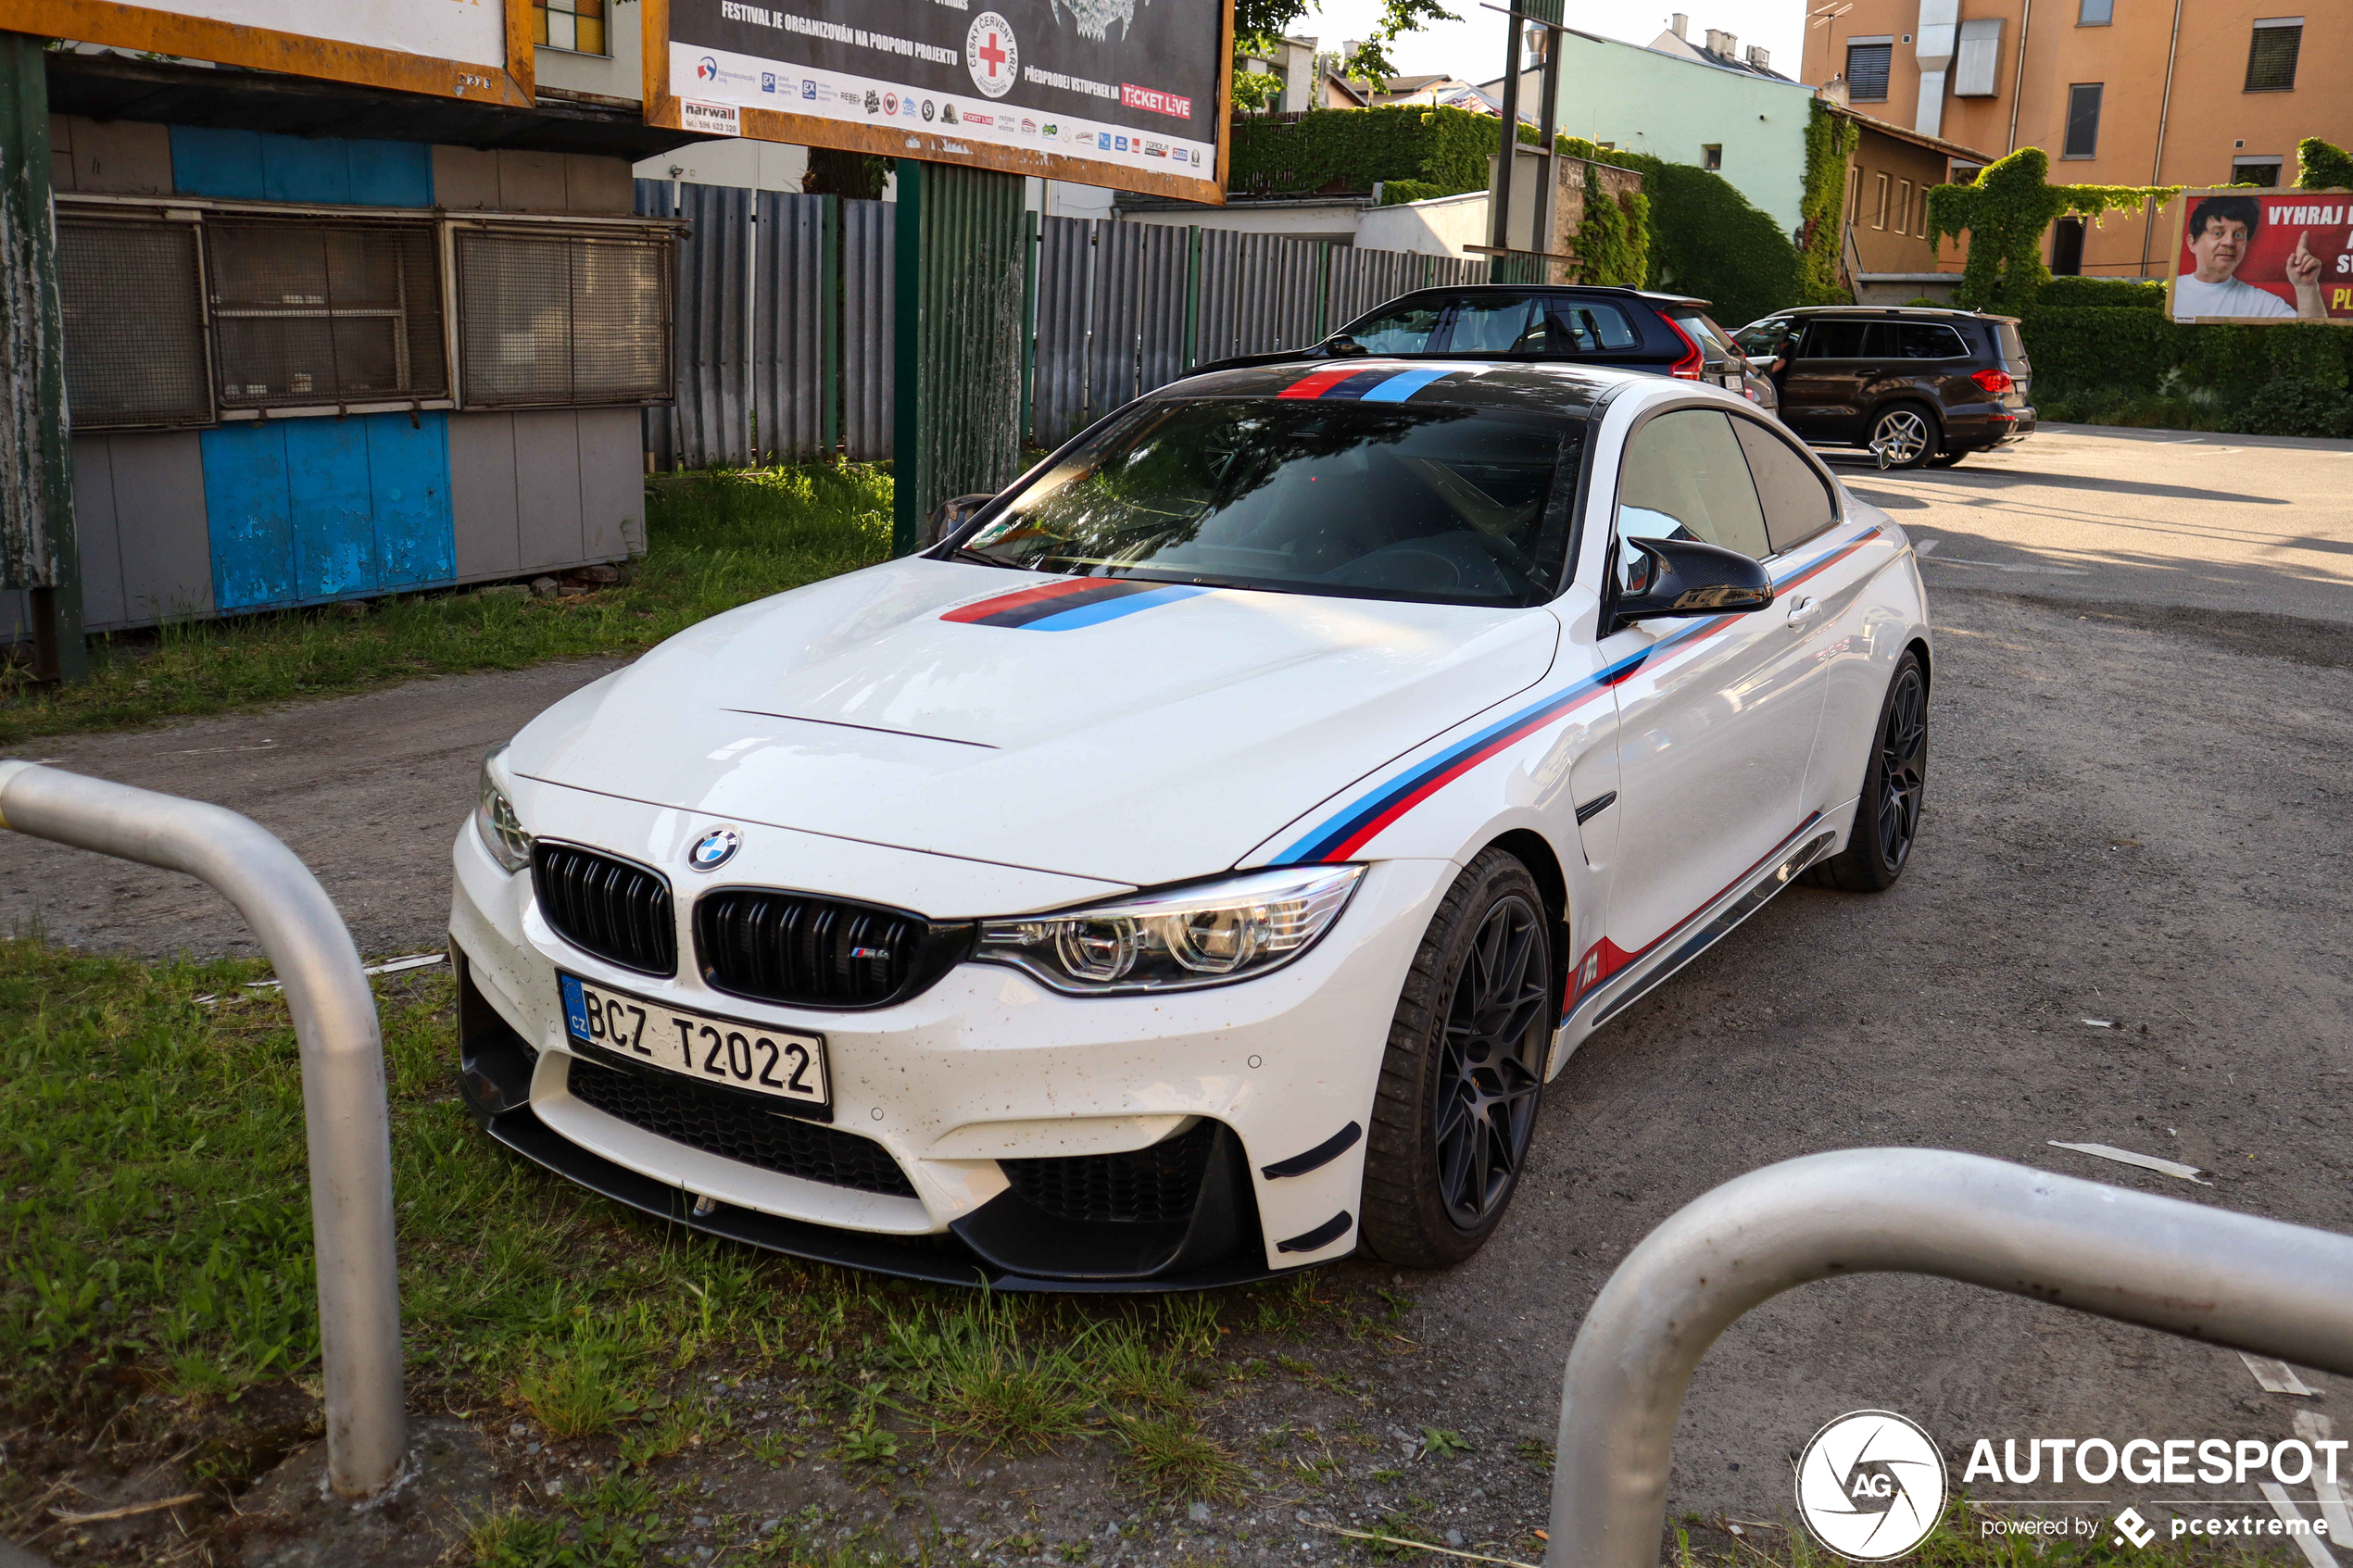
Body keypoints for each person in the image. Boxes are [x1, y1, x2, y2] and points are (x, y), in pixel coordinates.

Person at [2173, 194, 2327, 320]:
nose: (2229, 242)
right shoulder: (2170, 294)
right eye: (2218, 233)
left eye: (2239, 235)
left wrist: (2306, 288)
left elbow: (2313, 344)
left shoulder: (2262, 304)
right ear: (2192, 243)